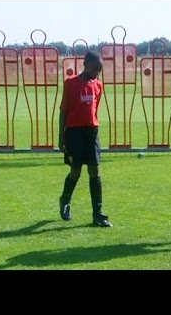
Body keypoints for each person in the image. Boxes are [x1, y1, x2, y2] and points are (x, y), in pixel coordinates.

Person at [58, 50, 112, 227]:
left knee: (95, 171)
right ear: (85, 64)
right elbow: (64, 110)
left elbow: (94, 110)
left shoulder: (98, 85)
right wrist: (61, 136)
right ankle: (65, 201)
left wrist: (93, 125)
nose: (97, 73)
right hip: (74, 133)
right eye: (95, 69)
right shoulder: (71, 83)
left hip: (92, 132)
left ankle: (98, 214)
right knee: (76, 171)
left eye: (100, 70)